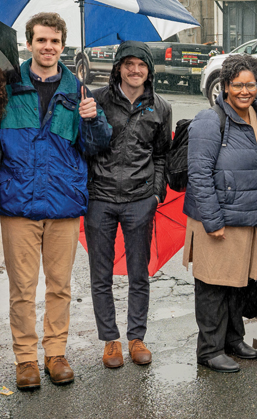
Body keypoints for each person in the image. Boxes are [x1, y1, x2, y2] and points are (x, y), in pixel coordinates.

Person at [0, 12, 111, 390]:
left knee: (60, 285)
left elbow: (95, 148)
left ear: (64, 46)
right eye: (41, 40)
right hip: (18, 205)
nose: (48, 47)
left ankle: (56, 353)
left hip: (63, 204)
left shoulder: (78, 91)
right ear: (28, 43)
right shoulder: (8, 87)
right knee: (22, 289)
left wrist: (93, 121)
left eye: (55, 42)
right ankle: (26, 359)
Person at [182, 54, 257, 373]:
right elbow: (199, 172)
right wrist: (213, 219)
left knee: (237, 283)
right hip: (218, 215)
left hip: (246, 215)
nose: (245, 91)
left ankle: (233, 339)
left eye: (251, 84)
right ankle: (209, 349)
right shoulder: (211, 119)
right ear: (225, 86)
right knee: (212, 284)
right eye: (238, 85)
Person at [87, 40, 172, 369]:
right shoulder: (96, 100)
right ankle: (110, 340)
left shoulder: (160, 107)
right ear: (118, 67)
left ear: (149, 70)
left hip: (140, 200)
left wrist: (155, 193)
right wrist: (89, 119)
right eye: (129, 64)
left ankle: (136, 337)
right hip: (101, 198)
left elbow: (162, 154)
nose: (135, 70)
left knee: (139, 274)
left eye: (141, 64)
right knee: (101, 274)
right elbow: (86, 145)